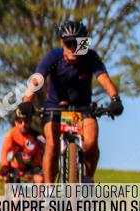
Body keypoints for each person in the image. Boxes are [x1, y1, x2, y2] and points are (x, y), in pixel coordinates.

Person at [20, 20, 123, 183]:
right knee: (52, 145)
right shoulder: (53, 57)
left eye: (78, 43)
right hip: (54, 108)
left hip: (83, 108)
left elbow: (103, 78)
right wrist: (26, 101)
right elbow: (37, 79)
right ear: (62, 43)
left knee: (91, 141)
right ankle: (48, 189)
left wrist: (115, 98)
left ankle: (88, 179)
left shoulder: (89, 56)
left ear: (83, 42)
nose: (73, 48)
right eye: (69, 43)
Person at [0, 104, 45, 183]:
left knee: (40, 180)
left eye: (26, 121)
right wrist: (4, 166)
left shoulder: (38, 136)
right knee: (6, 180)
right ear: (16, 122)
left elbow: (46, 153)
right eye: (20, 121)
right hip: (16, 171)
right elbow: (4, 150)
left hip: (34, 171)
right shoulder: (11, 133)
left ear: (30, 122)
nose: (23, 124)